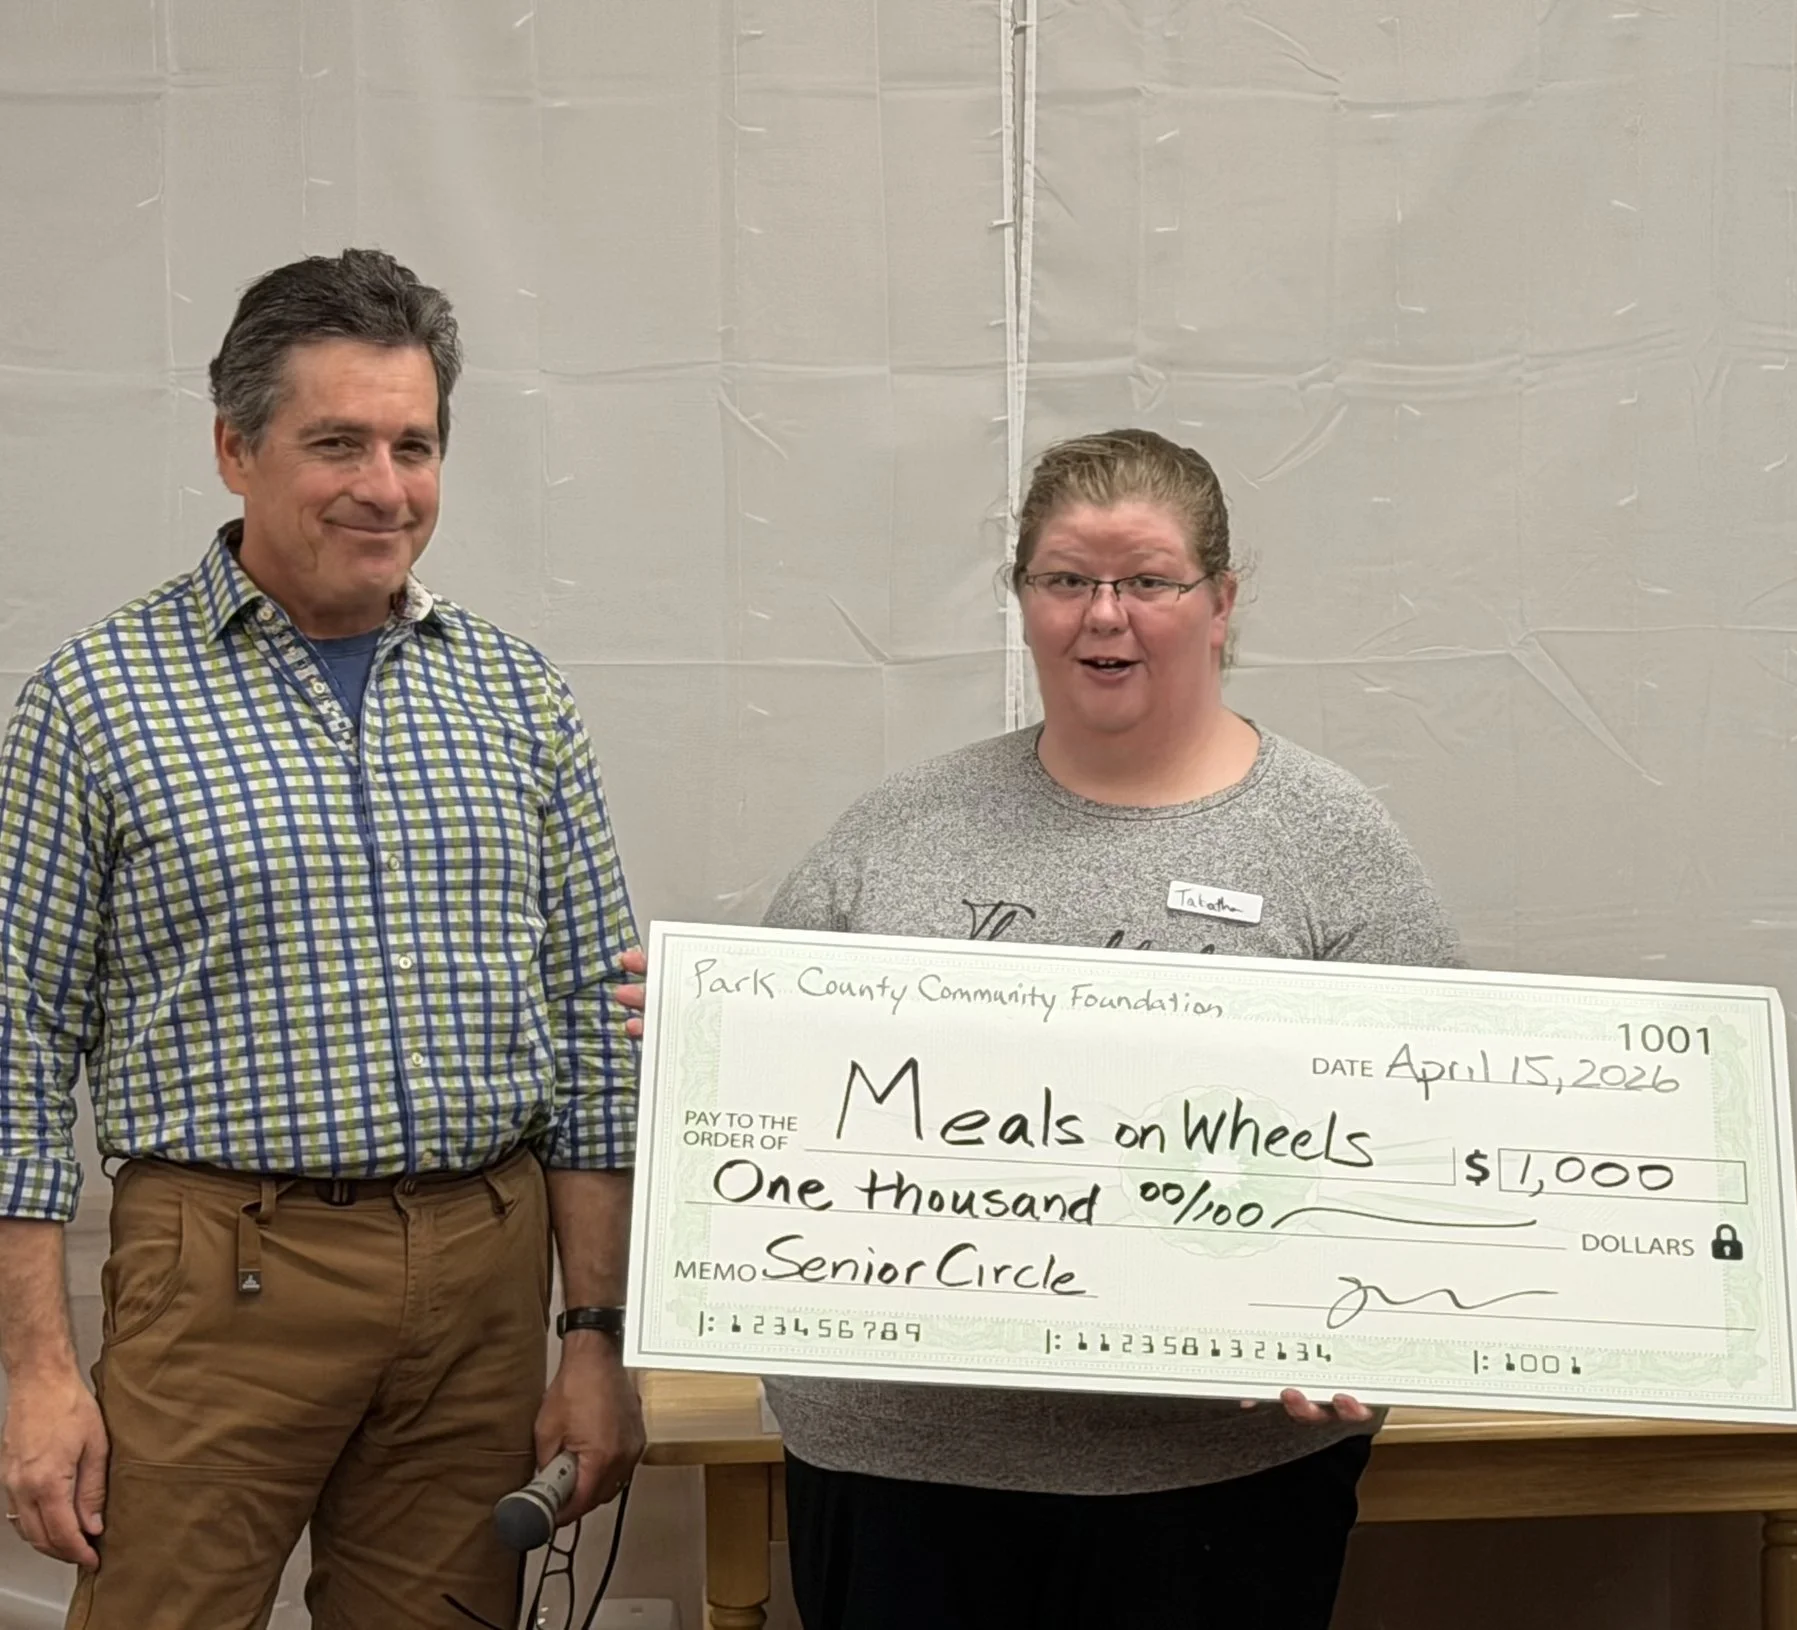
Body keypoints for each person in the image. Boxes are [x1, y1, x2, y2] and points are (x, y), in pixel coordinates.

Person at [620, 427, 1460, 1629]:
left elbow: (1433, 1141)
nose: (1103, 615)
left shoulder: (1332, 842)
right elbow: (779, 1127)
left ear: (1221, 602)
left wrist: (1374, 1322)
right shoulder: (899, 831)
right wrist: (711, 1042)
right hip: (897, 1464)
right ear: (1021, 598)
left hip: (1213, 1481)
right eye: (1067, 578)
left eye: (1148, 580)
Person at [0, 250, 645, 1629]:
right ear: (234, 449)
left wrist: (592, 1337)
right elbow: (15, 1044)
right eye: (337, 443)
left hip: (484, 1276)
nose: (385, 486)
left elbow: (597, 1026)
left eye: (414, 445)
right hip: (223, 1273)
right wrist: (35, 1372)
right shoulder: (96, 702)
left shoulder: (516, 694)